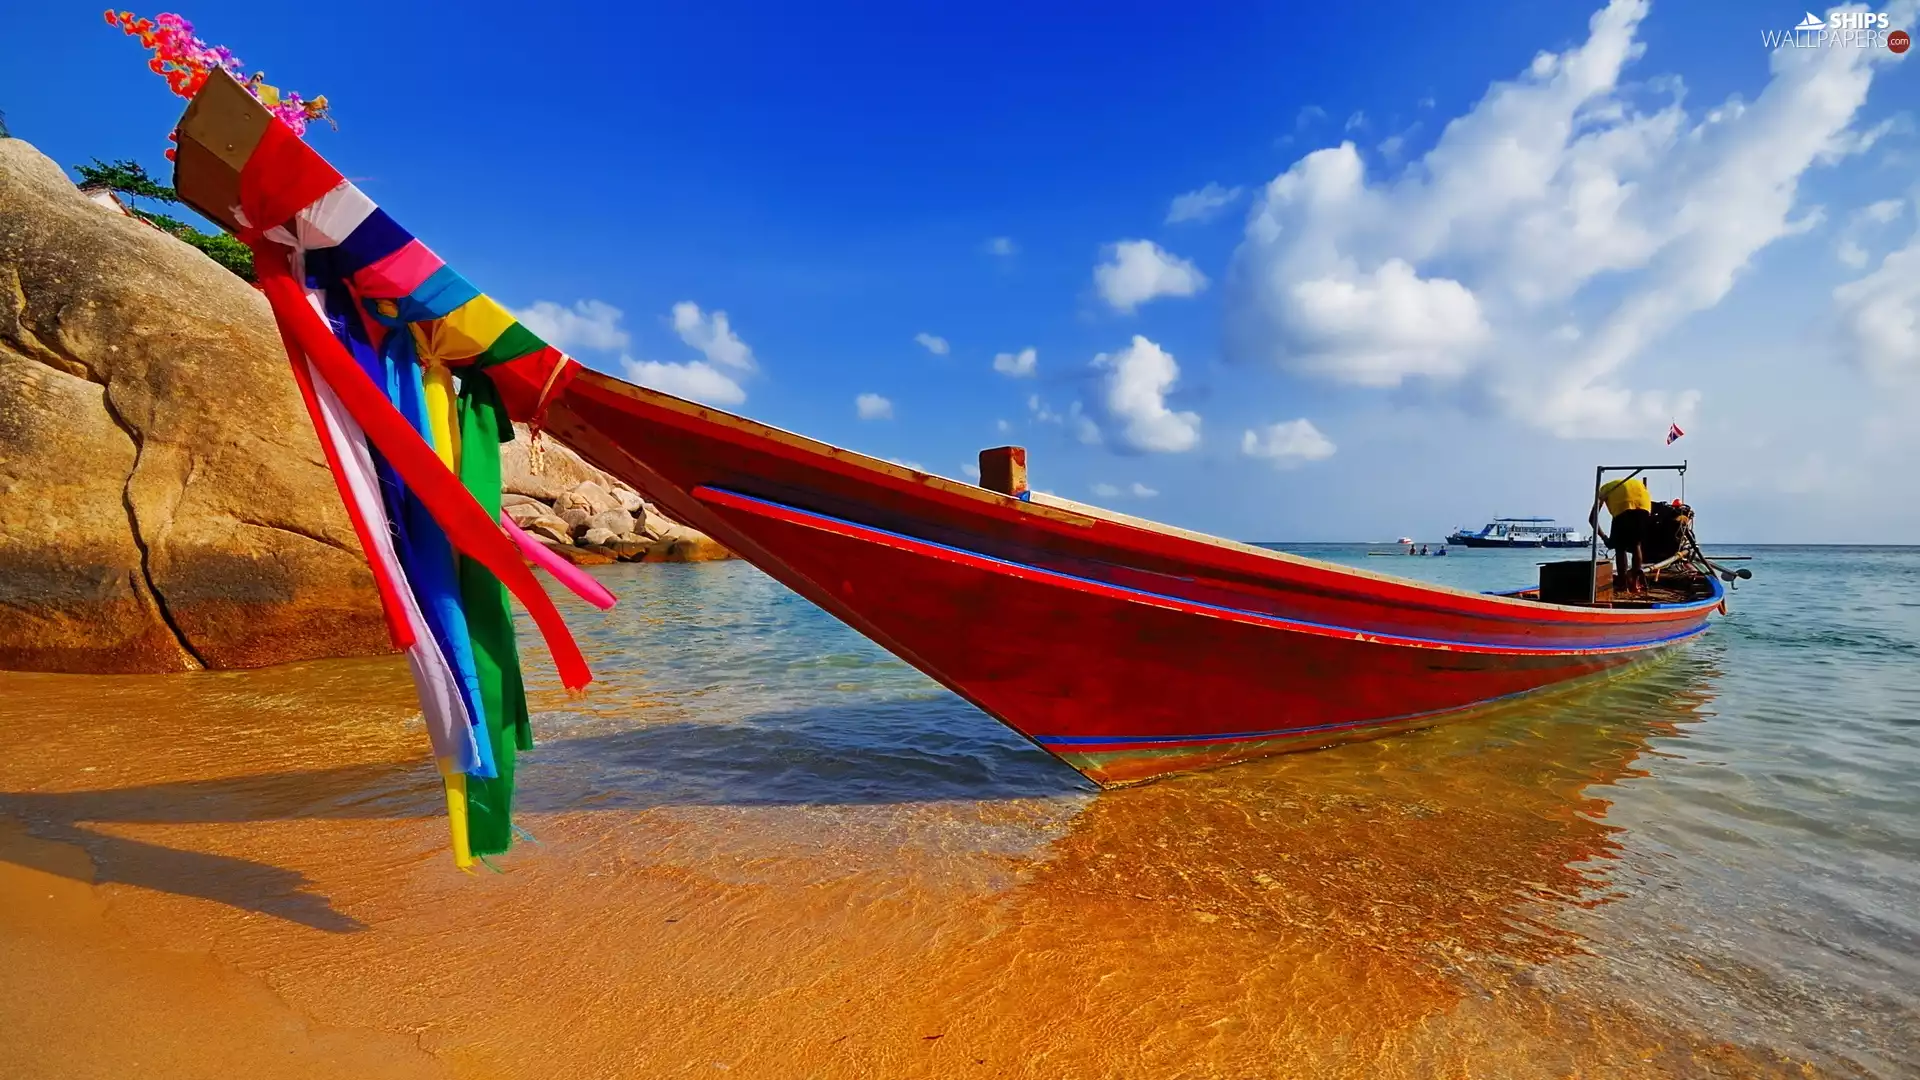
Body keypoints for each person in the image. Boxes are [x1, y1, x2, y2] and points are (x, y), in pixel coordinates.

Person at [1590, 473, 1653, 596]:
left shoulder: (1604, 490)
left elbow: (1592, 518)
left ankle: (1623, 584)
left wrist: (1605, 538)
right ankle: (1634, 582)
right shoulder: (1633, 485)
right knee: (1636, 545)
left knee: (1620, 548)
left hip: (1623, 507)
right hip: (1644, 506)